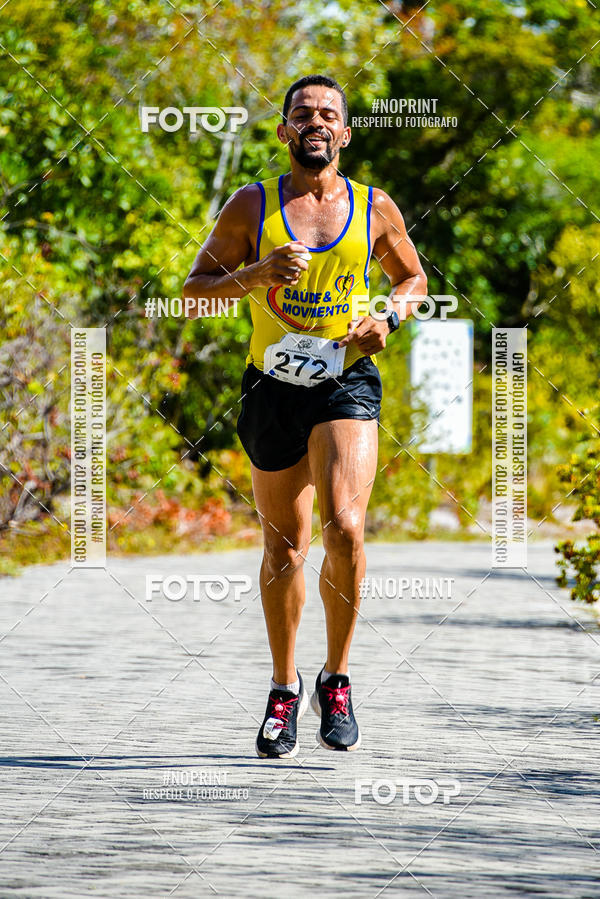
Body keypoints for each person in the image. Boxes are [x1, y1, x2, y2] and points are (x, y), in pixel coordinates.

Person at [183, 74, 427, 758]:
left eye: (328, 113)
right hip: (270, 389)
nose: (315, 121)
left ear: (345, 134)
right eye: (302, 113)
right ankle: (284, 688)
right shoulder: (249, 205)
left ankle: (337, 677)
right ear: (286, 131)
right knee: (285, 548)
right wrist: (256, 274)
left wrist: (388, 316)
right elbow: (194, 291)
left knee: (344, 527)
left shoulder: (375, 207)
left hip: (344, 383)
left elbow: (414, 279)